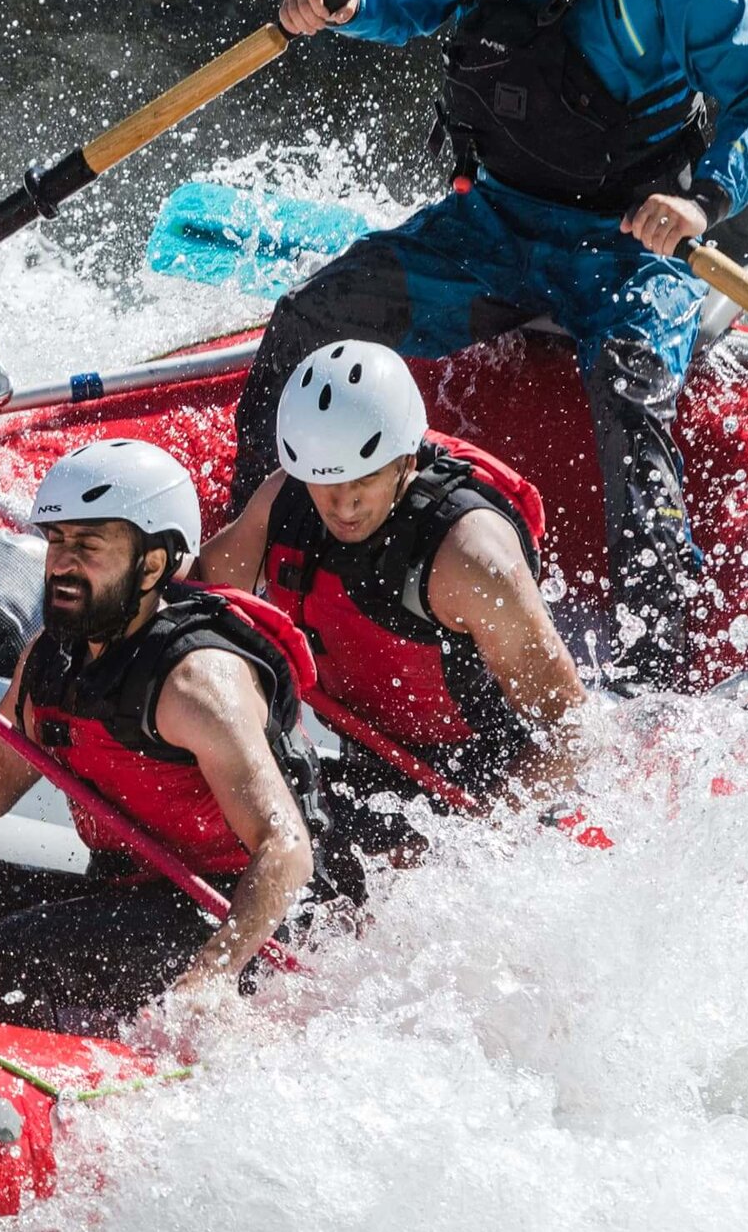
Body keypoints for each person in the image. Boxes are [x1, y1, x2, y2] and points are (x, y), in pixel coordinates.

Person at [233, 0, 748, 690]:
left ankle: (661, 669)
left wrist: (698, 199)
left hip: (630, 246)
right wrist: (343, 0)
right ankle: (254, 568)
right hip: (493, 225)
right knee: (308, 322)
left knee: (631, 405)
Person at [0, 441, 318, 1035]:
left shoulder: (196, 683)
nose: (60, 565)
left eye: (88, 546)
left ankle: (7, 1100)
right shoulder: (50, 660)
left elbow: (286, 849)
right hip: (132, 893)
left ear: (152, 565)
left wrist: (215, 971)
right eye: (57, 543)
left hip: (240, 919)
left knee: (20, 949)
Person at [201, 342, 587, 892]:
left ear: (407, 457)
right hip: (374, 768)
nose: (342, 504)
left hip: (488, 790)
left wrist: (463, 847)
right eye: (325, 481)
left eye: (364, 479)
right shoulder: (287, 501)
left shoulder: (471, 558)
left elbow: (574, 735)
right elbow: (199, 598)